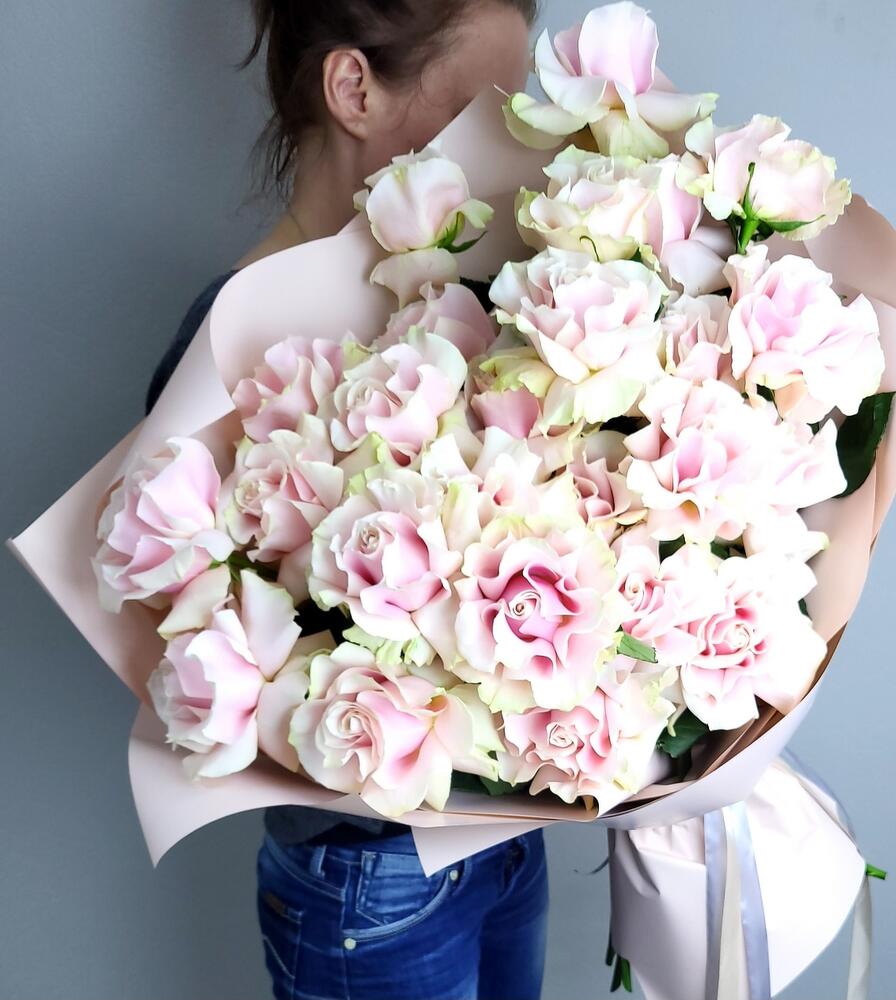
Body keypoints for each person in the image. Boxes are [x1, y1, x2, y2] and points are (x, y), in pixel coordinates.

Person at [142, 3, 548, 999]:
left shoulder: (475, 305)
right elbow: (190, 657)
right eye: (487, 109)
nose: (520, 142)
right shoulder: (223, 349)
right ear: (353, 88)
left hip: (503, 843)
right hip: (371, 877)